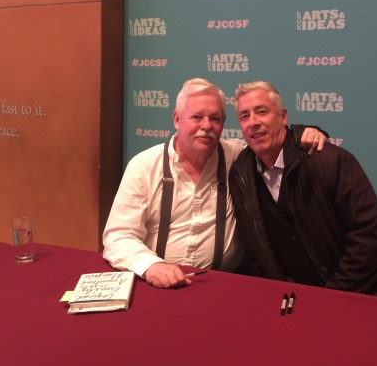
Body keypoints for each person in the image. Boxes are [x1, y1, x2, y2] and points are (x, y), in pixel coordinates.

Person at [103, 78, 326, 289]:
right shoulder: (144, 166)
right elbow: (118, 236)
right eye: (197, 117)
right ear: (177, 119)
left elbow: (272, 141)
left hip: (222, 285)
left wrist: (303, 133)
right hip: (155, 283)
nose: (207, 126)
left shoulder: (236, 157)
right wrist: (151, 265)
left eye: (215, 119)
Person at [229, 81, 377, 299]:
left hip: (362, 291)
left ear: (283, 116)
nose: (253, 122)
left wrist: (329, 296)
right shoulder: (241, 176)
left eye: (262, 111)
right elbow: (255, 252)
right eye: (244, 116)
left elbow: (369, 239)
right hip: (294, 298)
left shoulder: (330, 162)